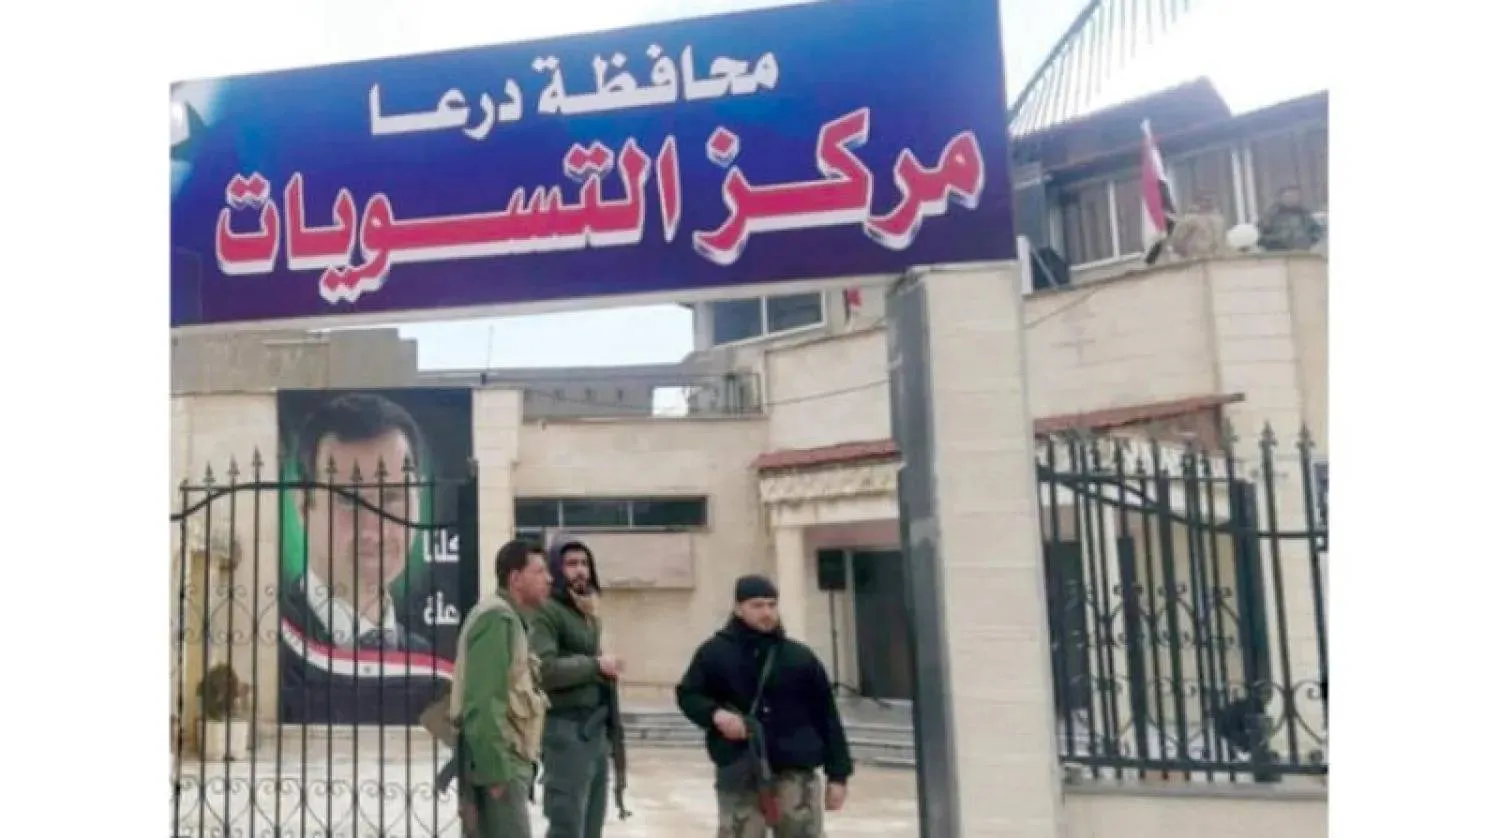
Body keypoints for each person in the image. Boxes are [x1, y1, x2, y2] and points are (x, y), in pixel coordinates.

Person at [676, 574, 854, 838]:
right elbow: (689, 694)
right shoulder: (714, 653)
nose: (767, 613)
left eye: (771, 605)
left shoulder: (799, 657)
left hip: (795, 771)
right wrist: (715, 714)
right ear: (738, 608)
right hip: (739, 767)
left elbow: (826, 715)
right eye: (757, 605)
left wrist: (838, 775)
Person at [284, 392, 431, 654]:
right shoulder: (268, 646)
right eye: (349, 500)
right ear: (303, 506)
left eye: (392, 497)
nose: (375, 531)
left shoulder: (424, 659)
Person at [450, 539, 554, 838]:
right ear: (515, 578)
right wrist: (497, 773)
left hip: (505, 763)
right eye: (539, 572)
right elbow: (483, 702)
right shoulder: (497, 619)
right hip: (500, 766)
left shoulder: (511, 619)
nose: (549, 579)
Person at [530, 535, 626, 838]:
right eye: (571, 564)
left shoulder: (588, 614)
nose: (581, 570)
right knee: (567, 823)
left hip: (595, 731)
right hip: (565, 729)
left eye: (585, 563)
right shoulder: (547, 611)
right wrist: (595, 666)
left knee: (591, 825)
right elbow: (543, 669)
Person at [1257, 185, 1324, 252]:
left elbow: (1317, 232)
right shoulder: (1271, 214)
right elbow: (1258, 234)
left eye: (1295, 196)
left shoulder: (1305, 215)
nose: (1292, 199)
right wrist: (1274, 242)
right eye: (1288, 196)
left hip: (1301, 253)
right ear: (1281, 197)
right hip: (1277, 253)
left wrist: (1308, 241)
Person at [1169, 193, 1229, 260]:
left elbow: (1223, 240)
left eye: (1208, 200)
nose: (1206, 202)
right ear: (1197, 202)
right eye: (1203, 200)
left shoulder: (1219, 220)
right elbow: (1177, 241)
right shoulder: (1188, 220)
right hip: (1195, 259)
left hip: (1218, 259)